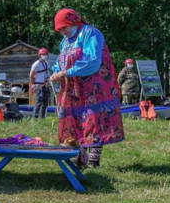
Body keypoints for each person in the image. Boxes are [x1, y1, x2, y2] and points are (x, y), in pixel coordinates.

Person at [49, 9, 125, 168]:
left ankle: (93, 161)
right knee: (75, 122)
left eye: (64, 27)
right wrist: (56, 71)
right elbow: (60, 60)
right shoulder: (66, 40)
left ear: (73, 22)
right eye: (60, 29)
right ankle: (80, 158)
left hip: (94, 87)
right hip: (73, 89)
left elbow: (92, 61)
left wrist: (67, 72)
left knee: (93, 121)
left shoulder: (90, 33)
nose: (62, 31)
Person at [29, 48, 52, 119]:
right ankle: (35, 118)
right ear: (40, 55)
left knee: (45, 103)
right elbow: (31, 75)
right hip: (38, 85)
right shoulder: (36, 64)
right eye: (43, 54)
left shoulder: (47, 63)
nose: (45, 56)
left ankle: (42, 118)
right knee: (38, 102)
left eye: (46, 54)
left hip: (46, 84)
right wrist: (33, 85)